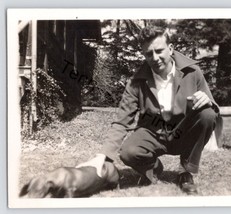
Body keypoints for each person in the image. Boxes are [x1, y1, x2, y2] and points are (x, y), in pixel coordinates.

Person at [77, 25, 222, 195]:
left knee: (207, 114)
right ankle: (153, 168)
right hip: (153, 133)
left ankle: (186, 172)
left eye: (159, 51)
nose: (155, 58)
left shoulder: (193, 72)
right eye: (148, 54)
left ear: (170, 48)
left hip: (183, 134)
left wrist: (208, 102)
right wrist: (103, 155)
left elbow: (213, 108)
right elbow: (122, 121)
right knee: (128, 152)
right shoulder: (136, 82)